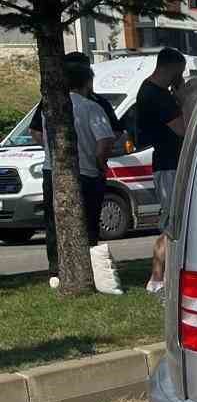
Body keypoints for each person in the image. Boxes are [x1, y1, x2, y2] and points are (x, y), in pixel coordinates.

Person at [40, 58, 121, 289]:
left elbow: (39, 135)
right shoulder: (91, 107)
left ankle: (57, 270)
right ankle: (89, 269)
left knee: (55, 224)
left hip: (52, 172)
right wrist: (100, 163)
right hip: (86, 173)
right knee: (88, 226)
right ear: (87, 83)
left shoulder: (51, 108)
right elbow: (104, 141)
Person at [131, 47, 188, 294]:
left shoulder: (151, 91)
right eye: (180, 71)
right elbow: (183, 130)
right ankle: (156, 278)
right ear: (172, 67)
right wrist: (183, 97)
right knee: (171, 222)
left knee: (172, 221)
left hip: (168, 163)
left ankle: (160, 276)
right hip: (169, 165)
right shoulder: (157, 96)